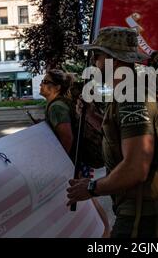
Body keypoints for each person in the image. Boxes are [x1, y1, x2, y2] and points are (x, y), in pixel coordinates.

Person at [66, 26, 158, 238]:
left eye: (97, 56)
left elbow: (136, 167)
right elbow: (123, 136)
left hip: (140, 216)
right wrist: (91, 117)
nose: (94, 63)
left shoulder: (131, 96)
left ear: (113, 60)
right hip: (145, 210)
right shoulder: (129, 90)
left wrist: (91, 187)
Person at [40, 69, 111, 237]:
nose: (41, 84)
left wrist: (61, 163)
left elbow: (67, 137)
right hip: (79, 157)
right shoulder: (63, 102)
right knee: (87, 198)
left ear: (56, 88)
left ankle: (104, 232)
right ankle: (105, 230)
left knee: (86, 199)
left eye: (46, 81)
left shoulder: (57, 106)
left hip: (73, 161)